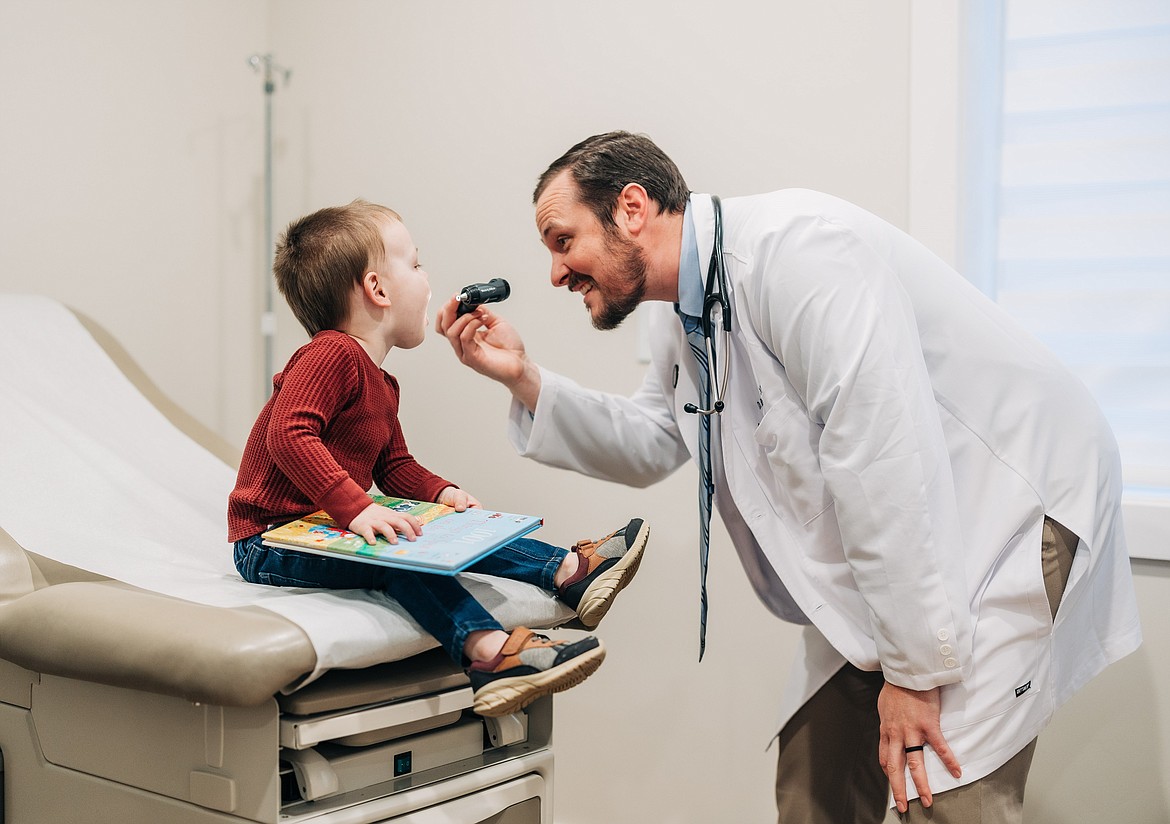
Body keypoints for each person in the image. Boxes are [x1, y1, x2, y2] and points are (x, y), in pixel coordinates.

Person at [436, 132, 1142, 819]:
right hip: (898, 549)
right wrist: (523, 379)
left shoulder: (799, 253)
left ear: (630, 209)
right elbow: (656, 439)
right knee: (815, 783)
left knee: (943, 793)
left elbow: (881, 460)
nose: (556, 273)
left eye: (563, 242)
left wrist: (915, 675)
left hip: (1011, 506)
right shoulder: (679, 310)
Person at [228, 199, 651, 718]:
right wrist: (356, 509)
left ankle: (567, 570)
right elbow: (289, 435)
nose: (426, 278)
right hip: (269, 537)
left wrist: (440, 495)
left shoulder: (380, 381)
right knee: (401, 560)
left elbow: (394, 465)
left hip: (319, 526)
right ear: (377, 289)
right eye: (415, 263)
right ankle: (491, 655)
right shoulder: (330, 354)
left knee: (446, 528)